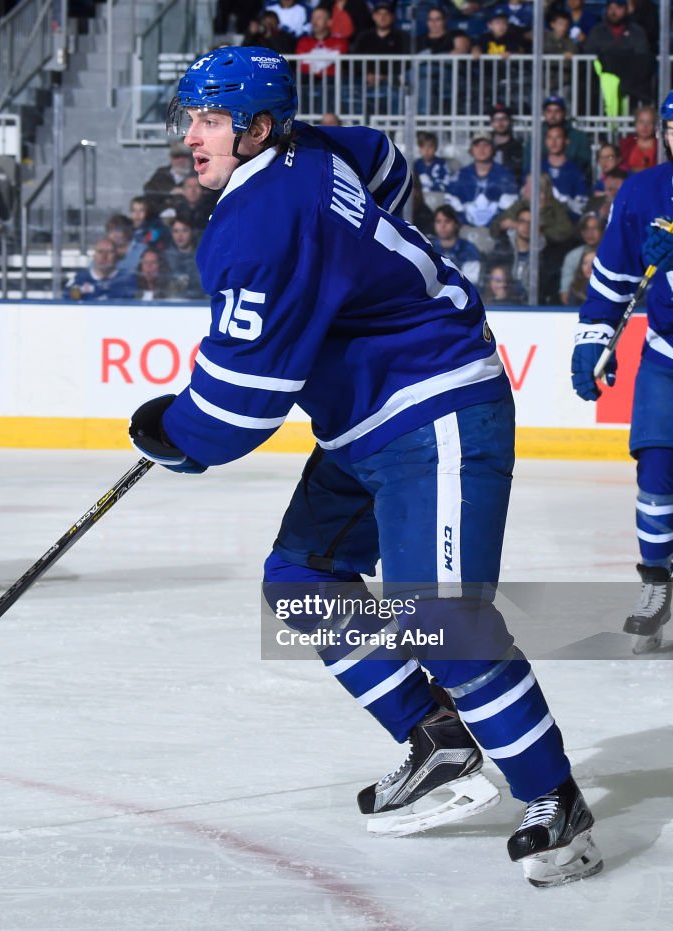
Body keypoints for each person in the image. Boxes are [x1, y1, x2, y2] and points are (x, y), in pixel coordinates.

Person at [130, 46, 602, 888]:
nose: (190, 138)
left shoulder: (261, 225)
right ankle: (436, 739)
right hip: (364, 422)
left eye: (209, 121)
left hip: (438, 406)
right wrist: (354, 269)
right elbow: (385, 157)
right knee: (300, 580)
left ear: (259, 129)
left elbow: (240, 411)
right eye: (189, 118)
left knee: (444, 621)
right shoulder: (309, 148)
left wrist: (174, 432)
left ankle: (555, 799)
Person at [571, 88, 673, 655]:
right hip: (666, 357)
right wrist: (591, 342)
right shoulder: (641, 193)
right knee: (656, 471)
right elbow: (612, 280)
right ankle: (656, 585)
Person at [445, 134, 519, 227]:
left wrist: (494, 224)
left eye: (486, 145)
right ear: (471, 150)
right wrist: (464, 220)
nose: (481, 149)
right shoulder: (460, 175)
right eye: (477, 145)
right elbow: (451, 200)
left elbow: (510, 203)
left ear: (493, 149)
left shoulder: (506, 175)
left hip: (496, 229)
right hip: (465, 228)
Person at [65, 238, 136, 301]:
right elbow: (67, 303)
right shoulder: (80, 279)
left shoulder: (127, 280)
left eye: (109, 252)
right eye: (100, 252)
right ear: (94, 256)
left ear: (116, 256)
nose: (104, 256)